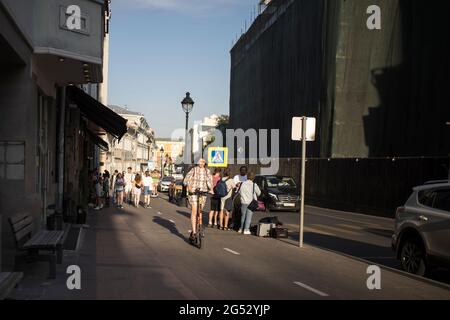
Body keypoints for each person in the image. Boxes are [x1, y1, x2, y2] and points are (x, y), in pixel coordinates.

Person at [183, 158, 213, 242]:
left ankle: (198, 228)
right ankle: (195, 231)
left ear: (205, 163)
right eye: (200, 161)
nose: (201, 163)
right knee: (195, 210)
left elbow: (210, 182)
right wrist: (189, 188)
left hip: (202, 193)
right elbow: (186, 180)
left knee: (200, 211)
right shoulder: (194, 170)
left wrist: (211, 190)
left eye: (203, 161)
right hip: (193, 193)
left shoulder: (207, 171)